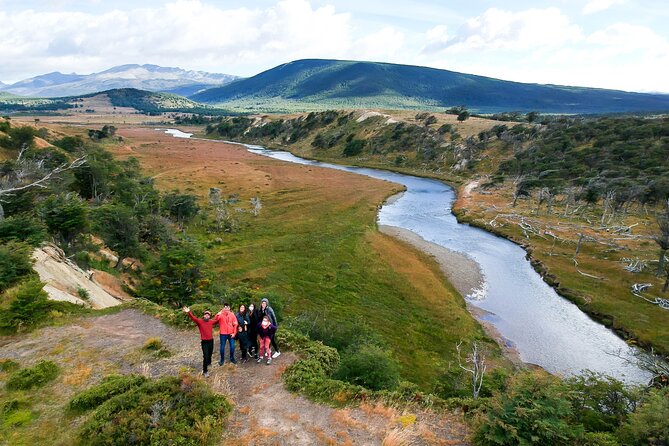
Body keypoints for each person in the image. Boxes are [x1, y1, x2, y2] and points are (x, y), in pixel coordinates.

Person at [183, 306, 219, 377]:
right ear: (204, 315)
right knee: (205, 356)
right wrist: (188, 312)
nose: (207, 315)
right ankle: (205, 371)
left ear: (209, 316)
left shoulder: (211, 322)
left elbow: (217, 320)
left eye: (208, 315)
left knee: (210, 353)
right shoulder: (200, 321)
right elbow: (193, 318)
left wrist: (219, 314)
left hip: (211, 341)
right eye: (206, 314)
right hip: (204, 342)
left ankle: (209, 362)